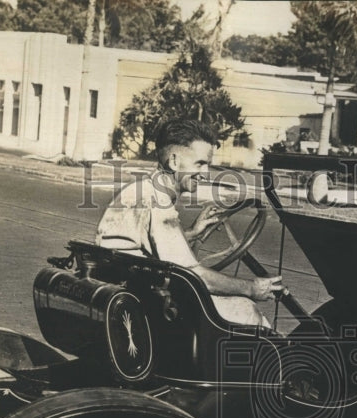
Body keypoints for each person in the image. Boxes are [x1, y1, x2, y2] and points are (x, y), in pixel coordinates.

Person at [96, 119, 282, 327]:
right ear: (174, 161)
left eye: (207, 165)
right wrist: (251, 288)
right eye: (200, 163)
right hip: (146, 300)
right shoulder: (156, 201)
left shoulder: (143, 190)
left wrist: (193, 233)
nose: (204, 173)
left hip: (130, 286)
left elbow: (146, 248)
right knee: (247, 310)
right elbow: (192, 274)